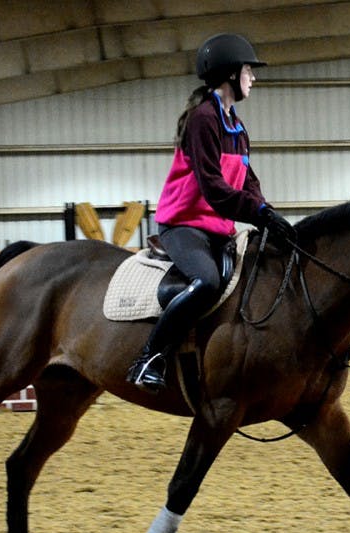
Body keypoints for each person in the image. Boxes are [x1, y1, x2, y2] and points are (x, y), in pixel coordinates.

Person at [127, 33, 296, 393]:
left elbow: (247, 179)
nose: (253, 77)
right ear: (231, 74)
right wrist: (257, 212)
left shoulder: (236, 125)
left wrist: (267, 211)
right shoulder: (203, 119)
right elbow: (214, 187)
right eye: (249, 70)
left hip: (218, 226)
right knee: (206, 281)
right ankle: (149, 358)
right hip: (183, 224)